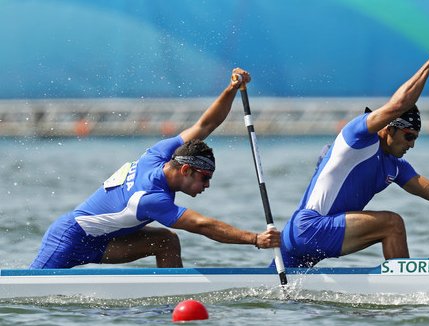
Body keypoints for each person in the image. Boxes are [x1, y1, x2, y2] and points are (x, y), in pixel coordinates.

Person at [278, 50, 429, 268]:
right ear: (389, 129)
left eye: (416, 139)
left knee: (278, 292)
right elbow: (398, 106)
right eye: (409, 136)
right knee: (392, 224)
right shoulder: (359, 136)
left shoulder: (394, 165)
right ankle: (403, 287)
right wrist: (428, 68)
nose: (411, 144)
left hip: (299, 237)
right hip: (310, 227)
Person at [30, 68, 280, 269]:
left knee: (166, 241)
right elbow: (202, 225)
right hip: (69, 239)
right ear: (185, 171)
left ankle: (170, 304)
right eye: (204, 178)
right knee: (29, 293)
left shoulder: (159, 153)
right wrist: (255, 239)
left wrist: (231, 89)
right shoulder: (151, 197)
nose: (207, 185)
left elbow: (205, 125)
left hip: (104, 240)